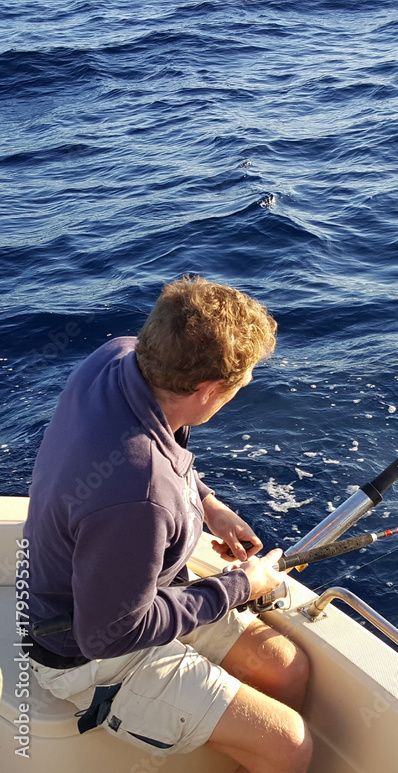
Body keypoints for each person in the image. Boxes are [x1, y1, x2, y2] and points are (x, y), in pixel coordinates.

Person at [24, 276, 313, 773]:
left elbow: (162, 450)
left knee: (288, 669)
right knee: (290, 744)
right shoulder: (139, 496)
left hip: (132, 589)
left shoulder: (120, 358)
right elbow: (108, 635)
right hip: (82, 652)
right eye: (236, 388)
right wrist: (241, 585)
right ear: (207, 390)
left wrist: (209, 504)